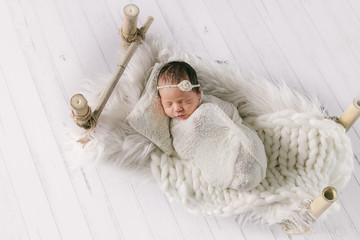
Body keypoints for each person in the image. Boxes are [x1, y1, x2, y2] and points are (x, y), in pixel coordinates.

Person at [157, 61, 267, 191]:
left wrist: (203, 118)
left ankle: (246, 166)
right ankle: (235, 173)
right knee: (219, 171)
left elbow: (230, 113)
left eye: (184, 101)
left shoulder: (208, 104)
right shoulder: (176, 125)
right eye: (169, 104)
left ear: (198, 93)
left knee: (246, 149)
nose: (177, 109)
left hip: (230, 142)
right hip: (212, 155)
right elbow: (182, 147)